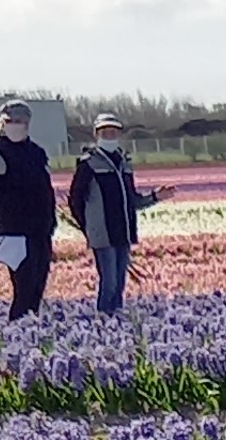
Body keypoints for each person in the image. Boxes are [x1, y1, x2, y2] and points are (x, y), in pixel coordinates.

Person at [0, 99, 60, 319]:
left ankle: (30, 330)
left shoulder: (35, 151)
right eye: (12, 120)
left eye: (21, 121)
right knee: (24, 289)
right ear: (3, 122)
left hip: (40, 229)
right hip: (15, 231)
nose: (17, 125)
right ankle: (18, 332)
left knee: (37, 289)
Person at [67, 113, 159, 316]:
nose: (109, 136)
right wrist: (88, 225)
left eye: (113, 132)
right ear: (97, 135)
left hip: (123, 231)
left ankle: (116, 320)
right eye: (105, 132)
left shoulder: (124, 162)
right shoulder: (88, 164)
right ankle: (102, 320)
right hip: (103, 233)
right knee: (108, 282)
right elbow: (75, 199)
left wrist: (155, 196)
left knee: (119, 283)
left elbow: (132, 199)